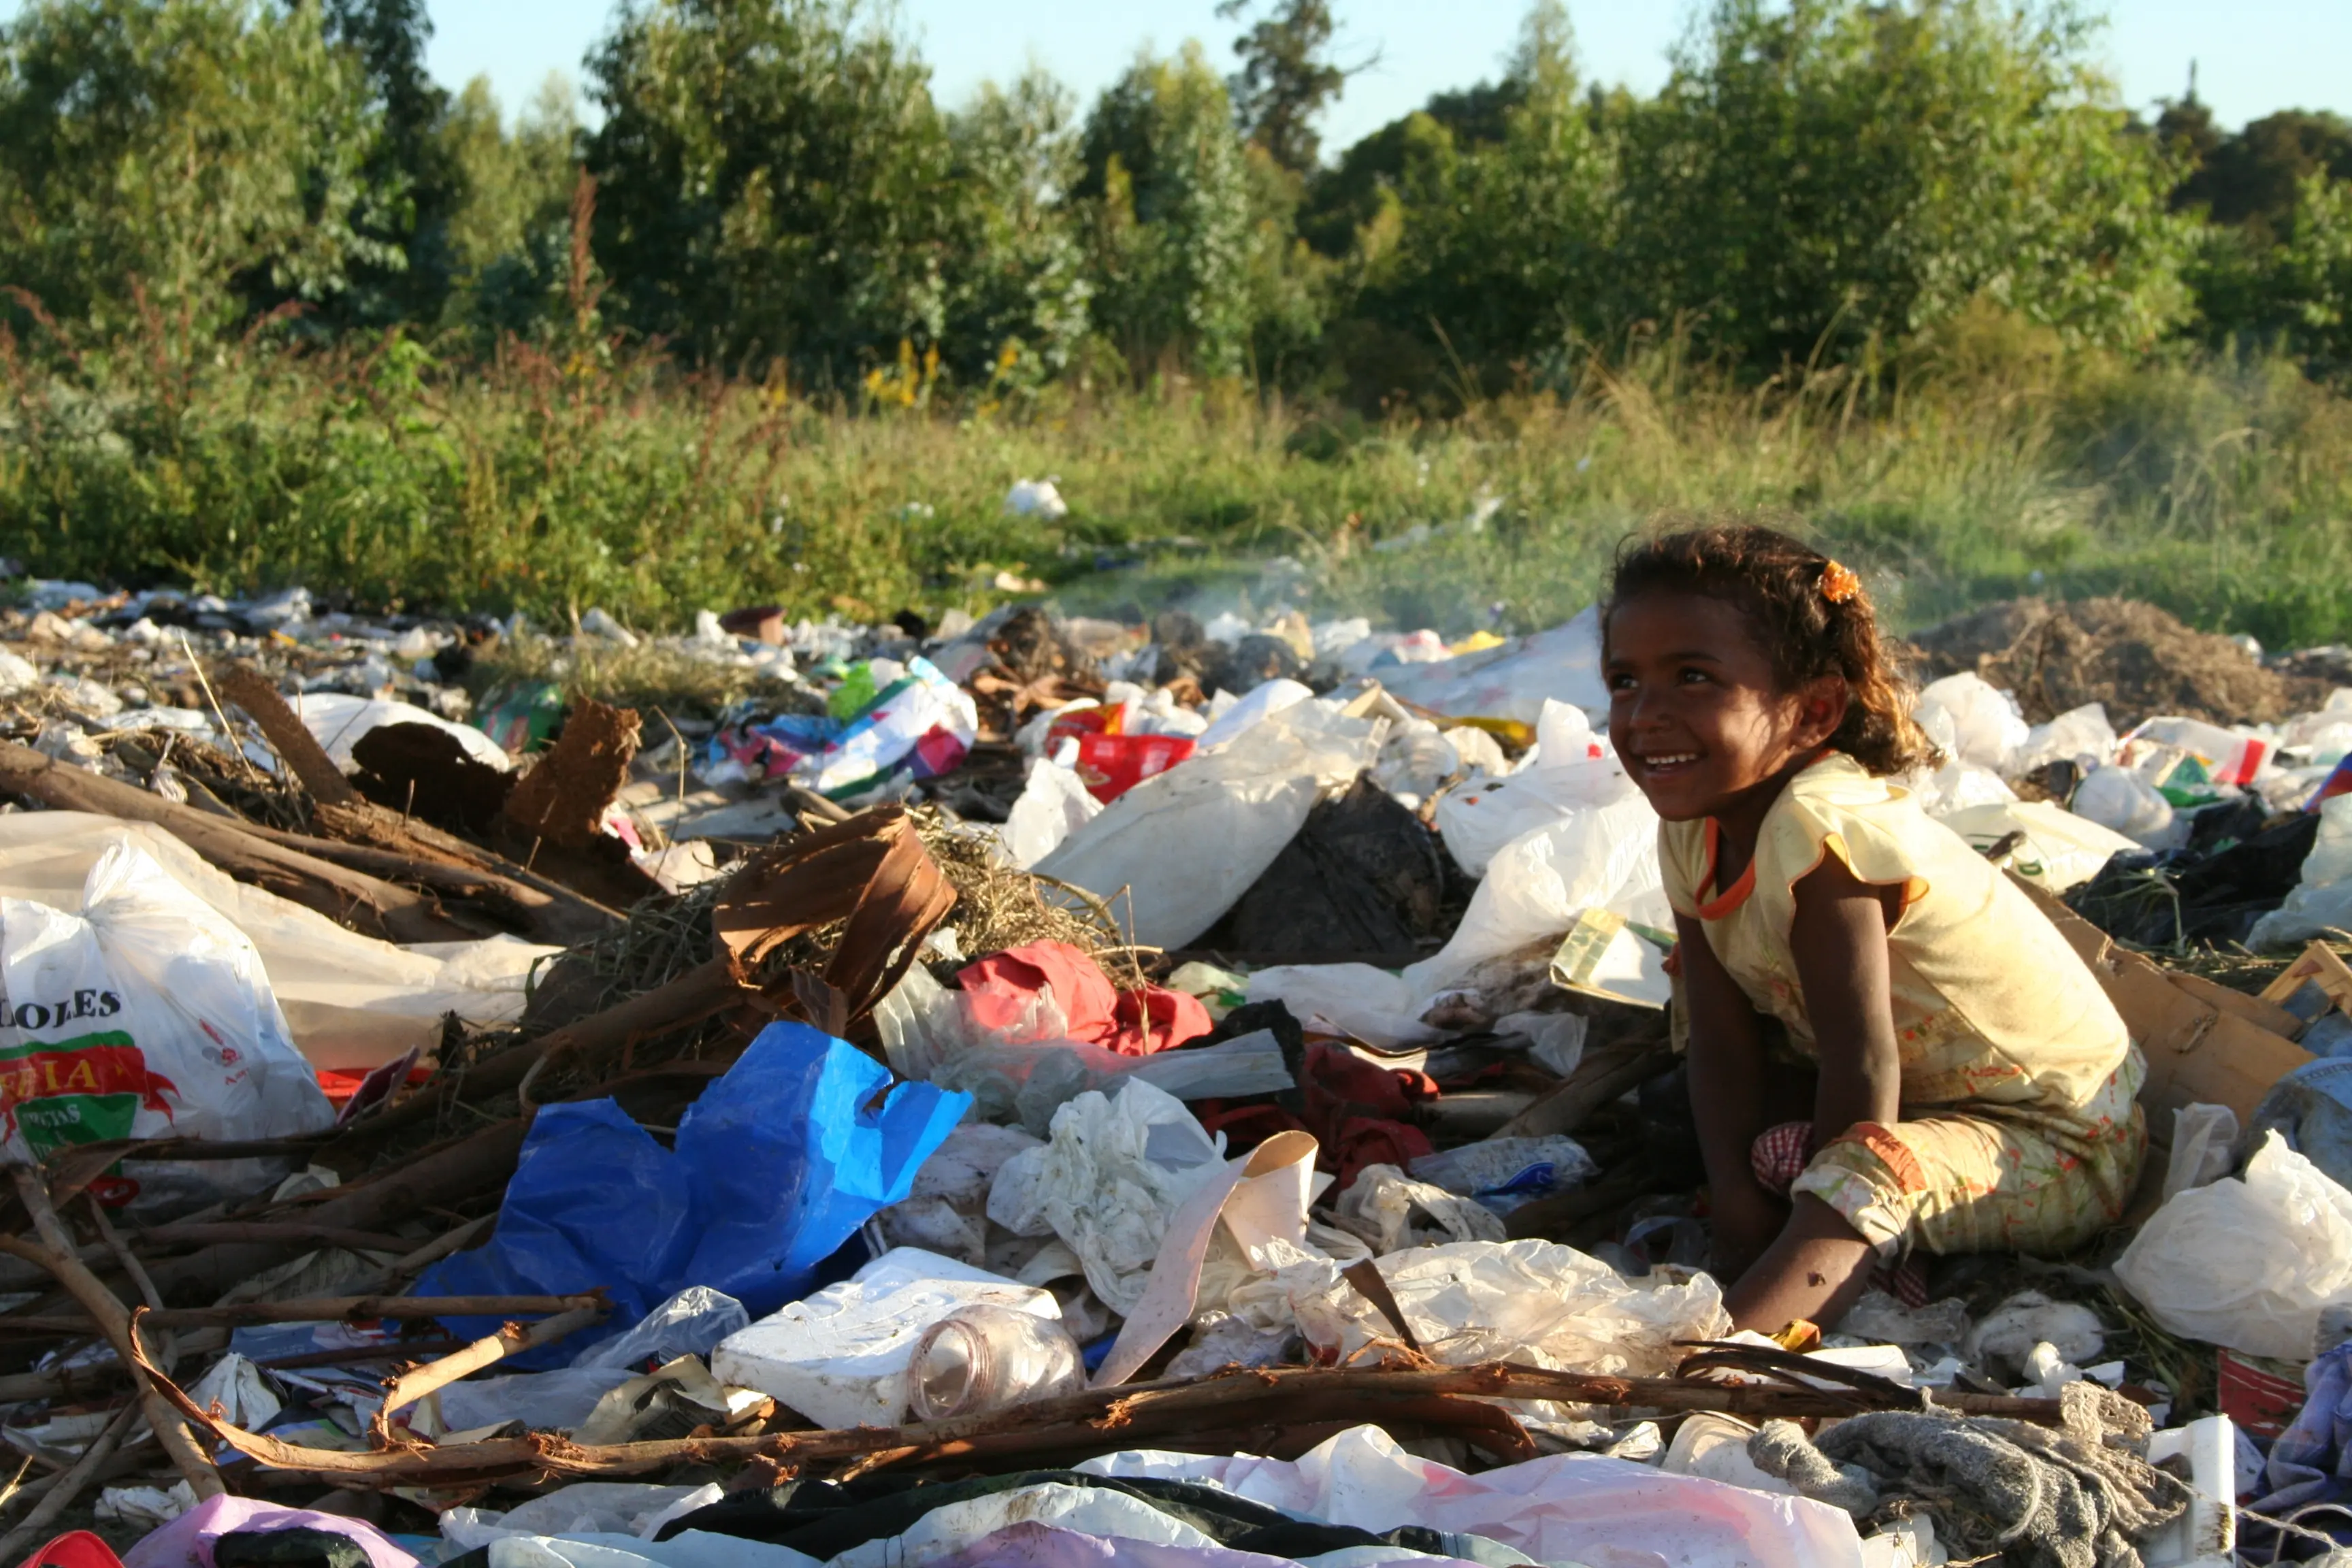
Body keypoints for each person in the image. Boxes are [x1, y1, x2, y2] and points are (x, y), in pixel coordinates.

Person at [1601, 523, 2142, 1334]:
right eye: (1623, 681)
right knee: (1694, 1108)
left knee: (1864, 1166)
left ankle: (1736, 1357)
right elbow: (1721, 1037)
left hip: (2055, 1135)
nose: (1645, 715)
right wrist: (1740, 1227)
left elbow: (1862, 1060)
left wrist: (1766, 1252)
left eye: (1693, 678)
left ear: (1813, 712)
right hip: (1928, 1098)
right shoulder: (1692, 828)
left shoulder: (1824, 830)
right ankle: (1861, 1256)